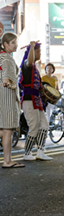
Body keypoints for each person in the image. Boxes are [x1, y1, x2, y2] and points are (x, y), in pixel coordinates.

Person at [20, 42, 53, 161]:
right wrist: (32, 46)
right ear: (32, 53)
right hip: (29, 99)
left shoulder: (34, 67)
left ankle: (40, 151)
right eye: (38, 51)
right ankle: (27, 153)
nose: (40, 53)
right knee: (33, 127)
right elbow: (29, 61)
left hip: (36, 100)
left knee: (44, 125)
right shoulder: (27, 64)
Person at [0, 33, 24, 168]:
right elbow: (7, 75)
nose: (16, 45)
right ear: (5, 44)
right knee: (8, 130)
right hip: (7, 96)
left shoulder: (1, 56)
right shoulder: (7, 58)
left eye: (16, 42)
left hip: (1, 96)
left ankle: (7, 160)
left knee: (4, 130)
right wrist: (7, 81)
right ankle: (7, 161)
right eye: (13, 42)